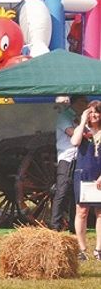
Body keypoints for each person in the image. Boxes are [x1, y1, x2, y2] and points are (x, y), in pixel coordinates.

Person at [70, 101, 101, 260]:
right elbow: (74, 142)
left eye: (97, 112)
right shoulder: (81, 130)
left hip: (99, 175)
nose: (94, 115)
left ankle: (99, 249)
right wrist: (82, 121)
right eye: (91, 112)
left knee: (100, 213)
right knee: (81, 212)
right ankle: (82, 249)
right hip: (83, 174)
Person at [51, 96, 87, 232]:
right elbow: (72, 133)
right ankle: (54, 225)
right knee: (62, 191)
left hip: (80, 159)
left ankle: (73, 225)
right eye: (84, 102)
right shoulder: (64, 117)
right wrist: (83, 124)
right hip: (66, 158)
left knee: (75, 193)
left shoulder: (80, 117)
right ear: (75, 103)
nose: (86, 104)